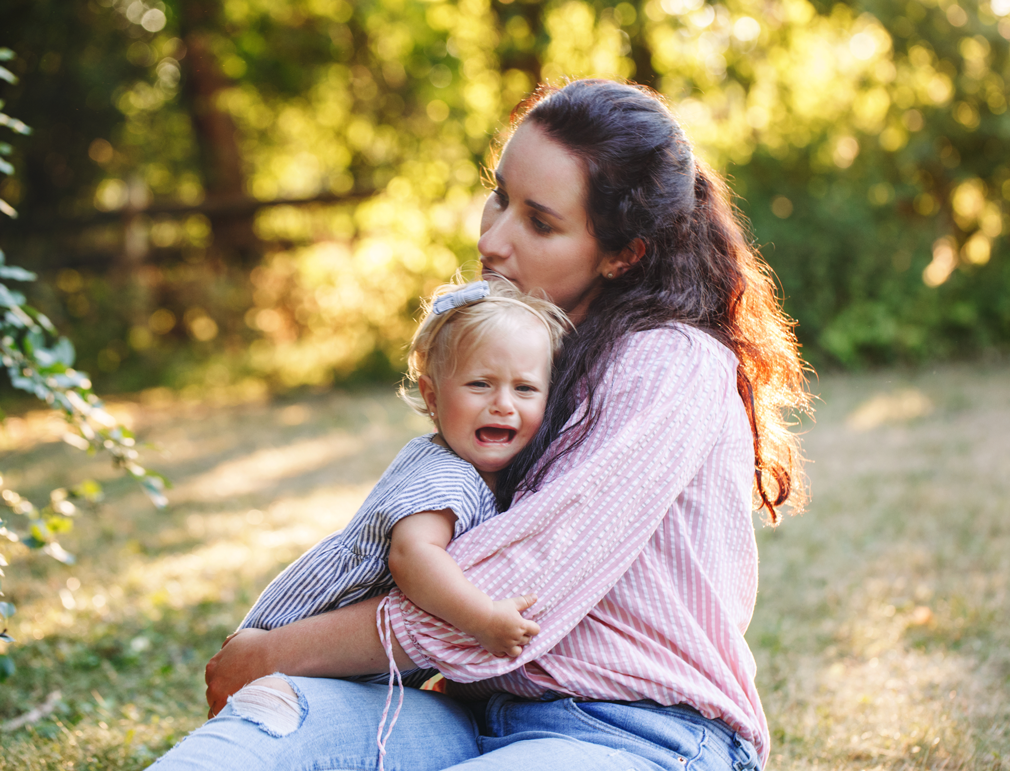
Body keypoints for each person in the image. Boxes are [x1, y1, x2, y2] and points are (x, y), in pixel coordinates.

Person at [150, 78, 809, 771]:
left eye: (540, 221)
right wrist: (275, 671)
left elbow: (519, 588)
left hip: (640, 737)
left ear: (624, 254)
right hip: (471, 717)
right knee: (274, 714)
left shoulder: (671, 363)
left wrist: (271, 651)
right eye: (499, 195)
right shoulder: (530, 357)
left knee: (272, 675)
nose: (492, 239)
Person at [237, 278, 569, 668]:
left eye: (525, 389)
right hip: (302, 637)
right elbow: (413, 557)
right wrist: (484, 619)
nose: (502, 404)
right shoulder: (448, 476)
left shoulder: (470, 467)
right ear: (432, 396)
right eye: (480, 384)